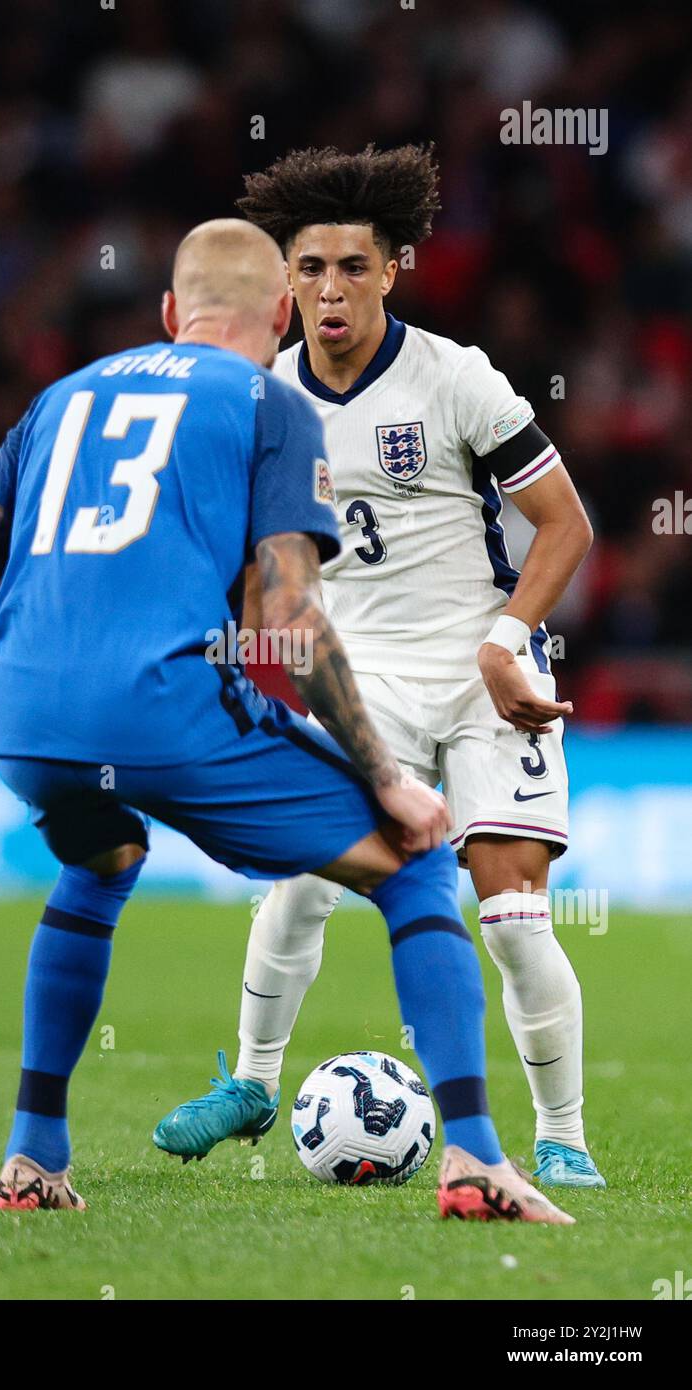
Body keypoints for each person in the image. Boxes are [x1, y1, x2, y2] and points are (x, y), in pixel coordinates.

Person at [0, 217, 571, 1224]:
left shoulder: (59, 398)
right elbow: (292, 615)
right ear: (277, 315)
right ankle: (474, 1158)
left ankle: (32, 1156)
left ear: (171, 315)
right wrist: (385, 776)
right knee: (415, 861)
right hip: (164, 703)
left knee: (98, 861)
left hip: (24, 713)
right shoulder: (271, 398)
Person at [157, 147, 603, 1190]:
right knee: (302, 880)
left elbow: (563, 525)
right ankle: (254, 1083)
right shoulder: (261, 398)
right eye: (307, 269)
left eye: (351, 268)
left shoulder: (454, 376)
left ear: (391, 270)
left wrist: (503, 641)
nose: (327, 290)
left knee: (511, 918)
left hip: (483, 667)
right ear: (283, 283)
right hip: (359, 687)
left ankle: (561, 1136)